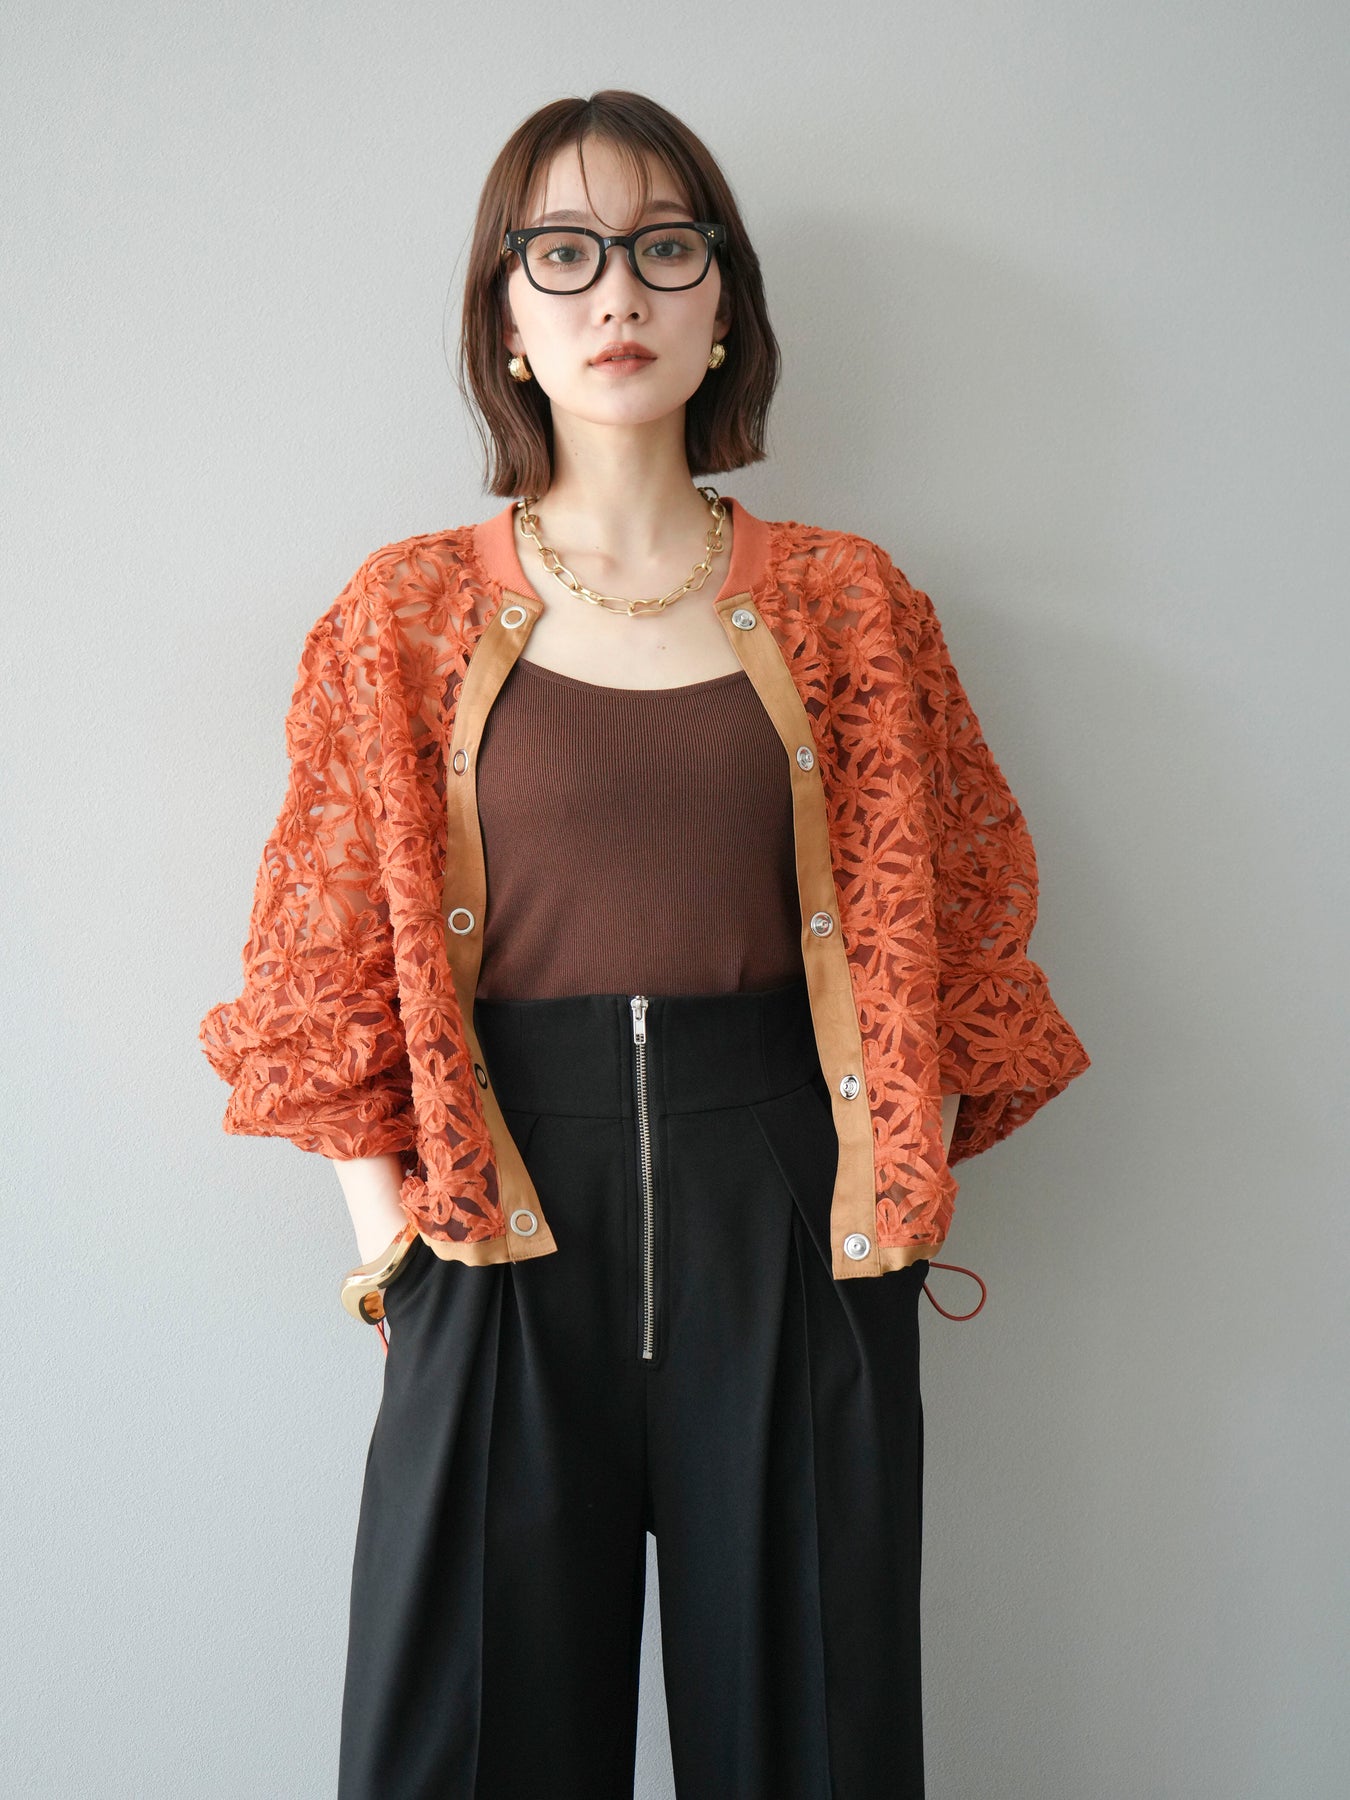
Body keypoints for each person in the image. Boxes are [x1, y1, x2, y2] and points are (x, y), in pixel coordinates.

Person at [199, 88, 1091, 1800]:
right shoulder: (400, 614)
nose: (617, 292)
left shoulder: (848, 603)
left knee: (813, 1741)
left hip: (791, 1209)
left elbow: (956, 922)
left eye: (664, 249)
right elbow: (321, 966)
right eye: (565, 253)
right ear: (506, 320)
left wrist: (887, 1191)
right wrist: (395, 1252)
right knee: (466, 1745)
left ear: (723, 305)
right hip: (496, 1215)